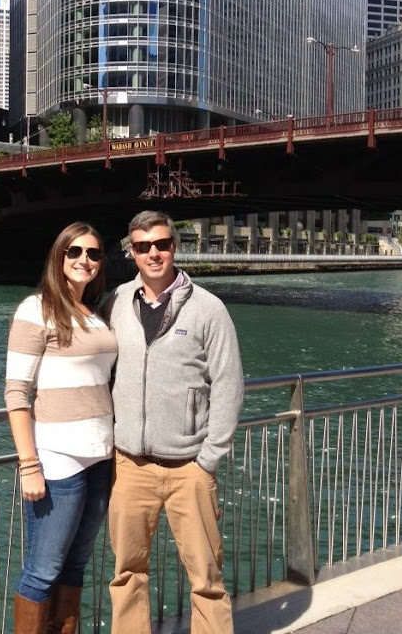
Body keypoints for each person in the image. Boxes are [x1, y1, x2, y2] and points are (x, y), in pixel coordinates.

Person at [104, 210, 244, 634]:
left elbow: (229, 383)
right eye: (142, 246)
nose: (153, 253)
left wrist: (209, 458)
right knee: (127, 574)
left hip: (189, 469)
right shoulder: (115, 302)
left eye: (161, 244)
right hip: (130, 465)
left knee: (206, 579)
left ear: (174, 247)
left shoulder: (208, 308)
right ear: (131, 252)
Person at [4, 222, 117, 634]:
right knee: (42, 571)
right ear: (59, 256)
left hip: (101, 455)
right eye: (75, 251)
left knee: (75, 565)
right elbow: (16, 392)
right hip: (59, 460)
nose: (84, 260)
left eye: (93, 253)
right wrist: (28, 464)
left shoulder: (96, 314)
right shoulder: (36, 309)